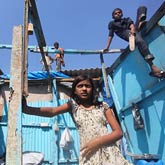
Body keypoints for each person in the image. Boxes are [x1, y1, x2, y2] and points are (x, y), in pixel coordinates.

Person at [22, 75, 132, 165]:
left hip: (110, 152)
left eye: (87, 86)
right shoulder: (73, 106)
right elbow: (52, 111)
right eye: (80, 86)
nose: (84, 88)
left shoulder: (103, 106)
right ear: (75, 90)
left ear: (92, 89)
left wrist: (97, 142)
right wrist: (27, 109)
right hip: (89, 153)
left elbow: (118, 132)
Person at [103, 8, 165, 78]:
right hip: (125, 33)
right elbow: (110, 35)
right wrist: (107, 47)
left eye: (119, 12)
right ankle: (153, 67)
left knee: (141, 8)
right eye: (116, 13)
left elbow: (131, 25)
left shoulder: (126, 19)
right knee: (140, 41)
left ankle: (141, 23)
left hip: (134, 31)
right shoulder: (112, 24)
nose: (118, 14)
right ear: (113, 16)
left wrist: (133, 29)